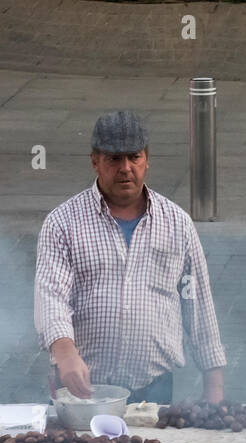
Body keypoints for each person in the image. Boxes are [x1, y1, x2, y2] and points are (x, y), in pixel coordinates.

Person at [34, 110, 226, 405]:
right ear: (95, 161)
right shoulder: (62, 223)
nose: (125, 168)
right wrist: (64, 352)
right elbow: (51, 297)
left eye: (133, 157)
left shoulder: (177, 223)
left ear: (147, 160)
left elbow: (198, 304)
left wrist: (214, 388)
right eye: (113, 159)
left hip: (155, 388)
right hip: (82, 389)